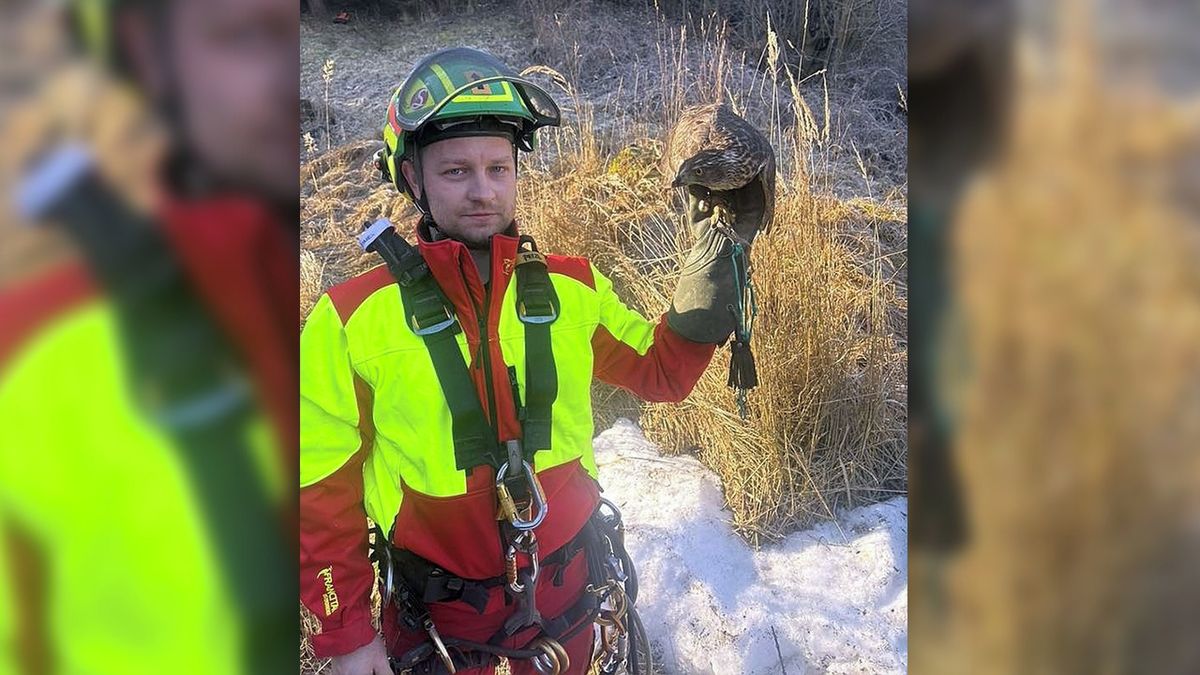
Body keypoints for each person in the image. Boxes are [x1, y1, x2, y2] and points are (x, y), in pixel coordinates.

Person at [299, 48, 770, 675]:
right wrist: (348, 636)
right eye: (456, 171)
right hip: (440, 632)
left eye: (498, 166)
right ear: (413, 180)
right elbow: (319, 489)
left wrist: (717, 255)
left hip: (570, 612)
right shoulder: (352, 318)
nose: (483, 190)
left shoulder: (572, 289)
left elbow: (664, 372)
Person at [0, 0, 298, 673]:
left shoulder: (276, 278)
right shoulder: (38, 352)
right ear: (149, 52)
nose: (290, 79)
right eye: (247, 35)